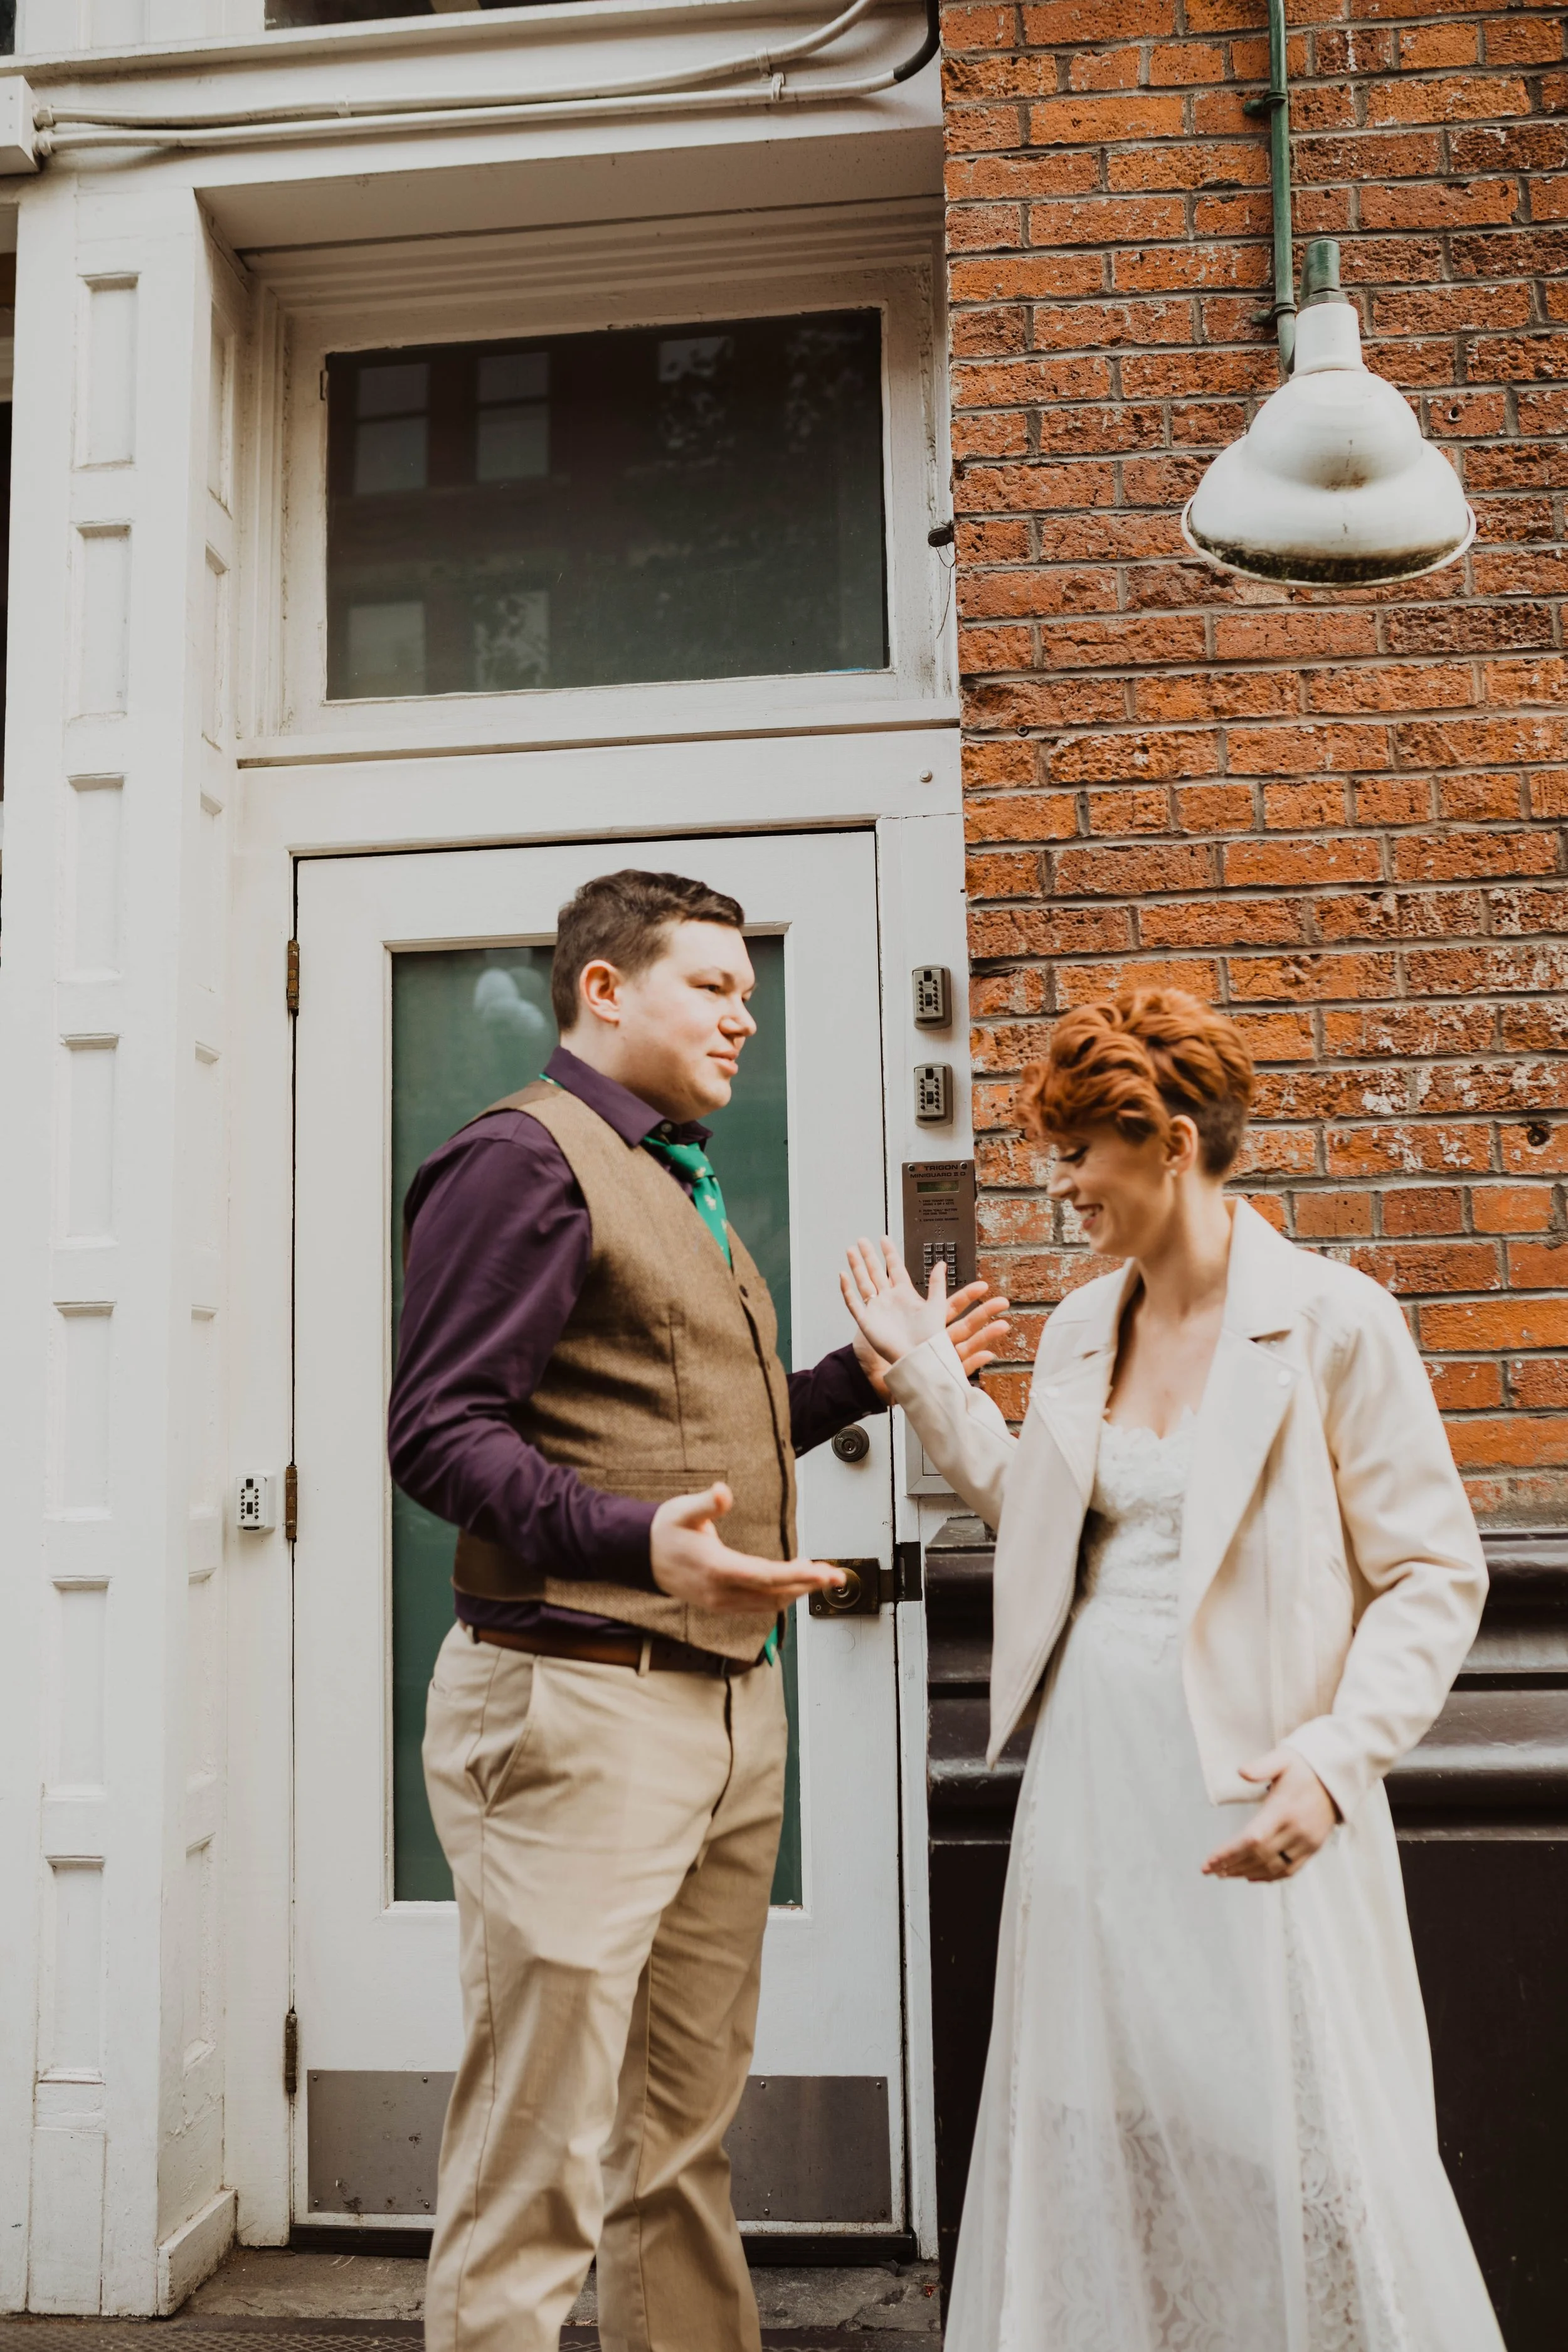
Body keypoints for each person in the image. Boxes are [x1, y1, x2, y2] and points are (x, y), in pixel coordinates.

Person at [388, 869, 1006, 2352]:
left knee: (674, 2146)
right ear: (605, 991)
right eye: (713, 986)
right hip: (580, 1709)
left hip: (727, 1707)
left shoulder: (670, 1174)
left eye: (748, 989)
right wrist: (629, 1544)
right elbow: (437, 1433)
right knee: (534, 2162)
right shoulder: (519, 1163)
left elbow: (678, 1427)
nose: (746, 1016)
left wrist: (865, 1381)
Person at [839, 988, 1505, 2352]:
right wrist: (927, 1384)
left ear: (1174, 1142)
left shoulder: (1333, 1321)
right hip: (1095, 1786)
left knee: (1312, 2130)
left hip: (1262, 1787)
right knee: (1105, 2125)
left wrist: (1333, 1761)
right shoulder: (1085, 1328)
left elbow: (1433, 1576)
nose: (1063, 1181)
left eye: (1083, 1149)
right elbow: (1041, 1520)